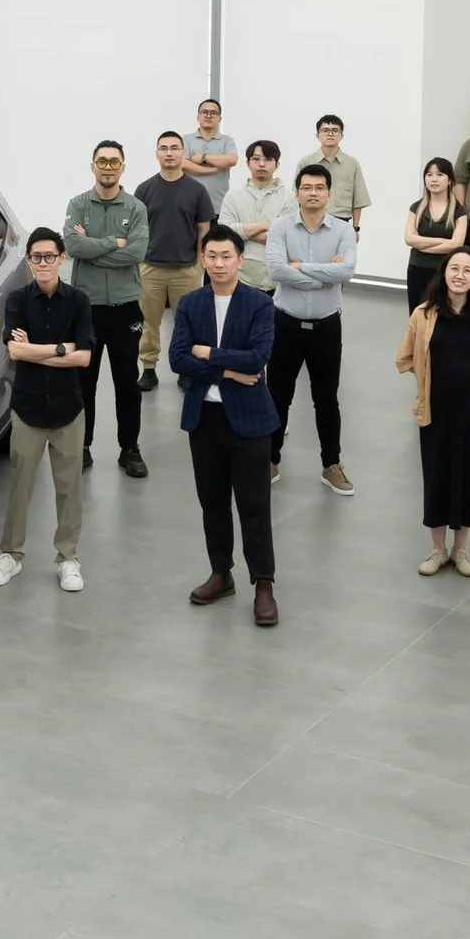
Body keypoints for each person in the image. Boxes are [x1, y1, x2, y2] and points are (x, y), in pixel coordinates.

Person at [170, 225, 281, 625]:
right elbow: (178, 359)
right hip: (205, 419)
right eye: (211, 256)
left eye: (226, 256)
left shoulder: (259, 304)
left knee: (254, 506)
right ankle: (222, 573)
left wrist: (209, 356)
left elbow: (257, 358)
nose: (218, 263)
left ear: (240, 259)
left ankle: (263, 584)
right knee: (212, 502)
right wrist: (227, 372)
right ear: (202, 258)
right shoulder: (190, 303)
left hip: (249, 422)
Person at [0, 228, 97, 594]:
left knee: (69, 488)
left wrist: (42, 349)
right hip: (28, 408)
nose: (44, 263)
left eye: (50, 256)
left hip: (68, 410)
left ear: (62, 258)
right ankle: (11, 554)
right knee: (20, 485)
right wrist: (61, 348)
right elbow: (16, 352)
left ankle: (68, 558)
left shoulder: (79, 301)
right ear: (29, 260)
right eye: (37, 257)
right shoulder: (17, 300)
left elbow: (84, 357)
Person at [394, 249, 470, 578]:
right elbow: (406, 357)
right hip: (435, 412)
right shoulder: (424, 315)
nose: (459, 275)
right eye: (454, 268)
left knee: (468, 479)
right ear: (444, 273)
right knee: (436, 474)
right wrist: (428, 381)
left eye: (467, 270)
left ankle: (461, 550)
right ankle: (438, 549)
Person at [265, 165, 360, 493]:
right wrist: (323, 275)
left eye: (320, 187)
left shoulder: (342, 231)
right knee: (278, 395)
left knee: (326, 398)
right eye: (307, 187)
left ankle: (331, 463)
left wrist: (301, 267)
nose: (313, 193)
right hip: (285, 324)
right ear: (297, 192)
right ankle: (270, 457)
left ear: (329, 194)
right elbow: (276, 270)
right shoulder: (280, 226)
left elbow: (346, 271)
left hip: (326, 328)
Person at [64, 141, 148, 475]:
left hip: (126, 307)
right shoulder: (78, 204)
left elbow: (137, 253)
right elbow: (72, 245)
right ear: (93, 166)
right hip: (87, 308)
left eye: (114, 162)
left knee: (128, 383)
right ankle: (81, 446)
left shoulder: (136, 208)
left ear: (123, 167)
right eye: (102, 161)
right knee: (84, 382)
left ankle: (130, 448)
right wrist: (114, 242)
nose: (108, 167)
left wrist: (92, 248)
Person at [133, 131, 217, 398]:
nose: (169, 153)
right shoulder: (144, 190)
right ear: (157, 153)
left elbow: (204, 228)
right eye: (163, 148)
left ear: (183, 153)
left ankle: (186, 369)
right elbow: (137, 228)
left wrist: (200, 260)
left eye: (174, 148)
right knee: (149, 322)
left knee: (188, 323)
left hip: (186, 269)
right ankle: (148, 368)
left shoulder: (197, 190)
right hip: (150, 268)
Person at [217, 141, 291, 295]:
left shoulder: (288, 197)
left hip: (278, 281)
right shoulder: (233, 196)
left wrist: (243, 233)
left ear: (277, 164)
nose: (261, 164)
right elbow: (224, 232)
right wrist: (264, 225)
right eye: (256, 159)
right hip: (241, 278)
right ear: (248, 163)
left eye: (268, 159)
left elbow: (286, 236)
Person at [402, 157, 469, 308]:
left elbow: (457, 244)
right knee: (417, 312)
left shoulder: (459, 210)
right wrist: (444, 242)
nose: (434, 179)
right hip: (417, 268)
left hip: (445, 271)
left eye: (440, 174)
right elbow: (409, 238)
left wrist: (421, 244)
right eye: (429, 174)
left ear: (450, 180)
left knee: (442, 314)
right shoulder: (417, 207)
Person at [310, 115, 371, 235]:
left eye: (335, 130)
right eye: (325, 130)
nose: (330, 134)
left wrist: (355, 228)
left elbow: (358, 199)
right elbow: (298, 198)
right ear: (318, 135)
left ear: (341, 136)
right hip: (311, 224)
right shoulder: (307, 162)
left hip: (342, 225)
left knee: (342, 255)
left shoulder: (352, 164)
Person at [184, 100, 237, 208]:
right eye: (204, 112)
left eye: (213, 113)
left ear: (220, 119)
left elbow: (232, 160)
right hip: (190, 204)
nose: (208, 116)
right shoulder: (186, 139)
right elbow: (183, 164)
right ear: (198, 117)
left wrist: (202, 157)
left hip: (218, 205)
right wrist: (212, 169)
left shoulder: (227, 140)